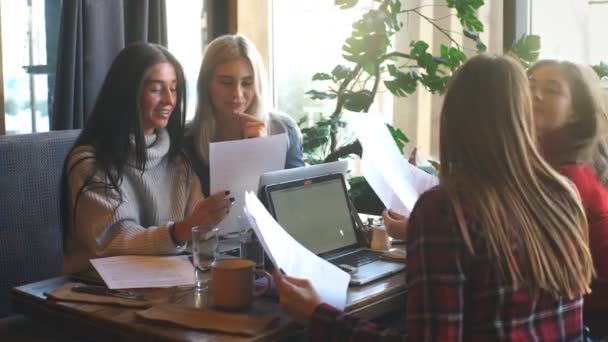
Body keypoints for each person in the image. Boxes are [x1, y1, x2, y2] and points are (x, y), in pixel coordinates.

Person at [273, 54, 595, 341]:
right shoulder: (562, 195)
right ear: (523, 116)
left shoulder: (447, 211)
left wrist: (318, 316)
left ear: (454, 120)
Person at [63, 42, 232, 274]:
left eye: (173, 88)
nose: (170, 100)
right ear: (127, 93)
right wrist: (179, 232)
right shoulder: (90, 163)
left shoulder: (178, 161)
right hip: (101, 294)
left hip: (167, 286)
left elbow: (199, 234)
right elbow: (113, 241)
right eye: (156, 89)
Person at [529, 59, 608, 336]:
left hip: (590, 325)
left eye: (552, 89)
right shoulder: (549, 165)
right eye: (529, 85)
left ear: (575, 113)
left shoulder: (566, 179)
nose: (534, 95)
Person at [187, 34, 304, 196]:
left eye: (247, 83)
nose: (237, 93)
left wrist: (263, 151)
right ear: (206, 84)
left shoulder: (282, 129)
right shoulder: (187, 138)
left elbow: (296, 201)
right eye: (226, 83)